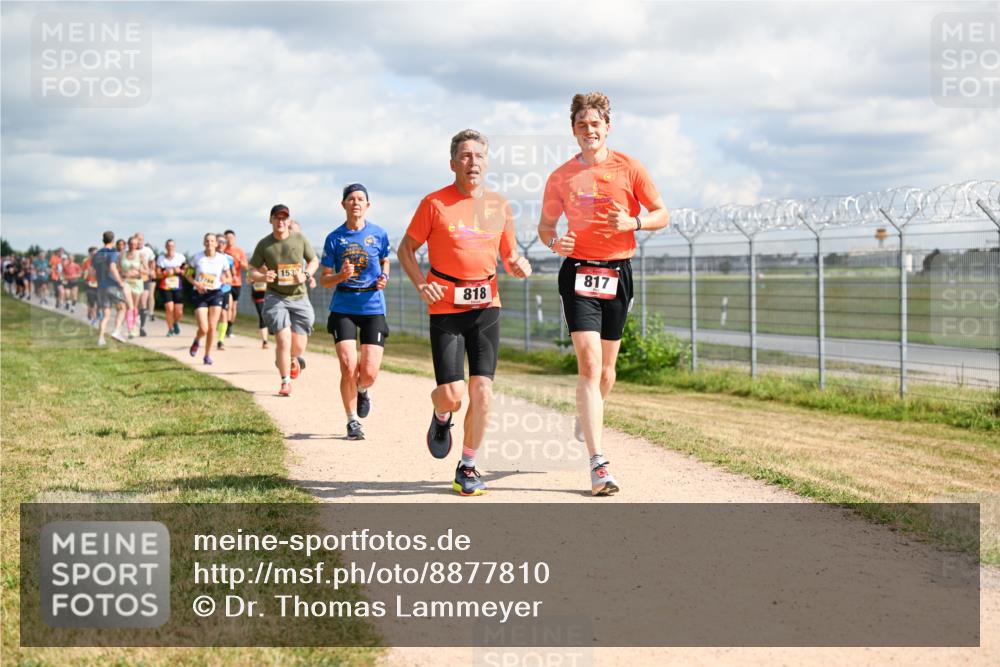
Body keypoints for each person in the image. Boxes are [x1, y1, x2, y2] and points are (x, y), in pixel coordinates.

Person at [538, 92, 670, 496]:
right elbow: (545, 227)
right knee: (590, 366)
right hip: (578, 271)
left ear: (607, 127)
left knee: (607, 374)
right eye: (581, 125)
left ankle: (588, 412)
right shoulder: (561, 177)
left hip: (618, 272)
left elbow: (662, 214)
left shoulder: (630, 167)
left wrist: (633, 221)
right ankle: (598, 465)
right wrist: (554, 243)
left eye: (595, 124)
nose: (589, 131)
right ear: (573, 131)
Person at [397, 129, 532, 496]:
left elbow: (510, 254)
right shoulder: (434, 204)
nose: (473, 162)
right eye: (466, 156)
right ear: (453, 162)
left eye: (479, 156)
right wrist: (422, 285)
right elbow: (406, 250)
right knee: (453, 395)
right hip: (446, 306)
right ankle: (442, 416)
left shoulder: (499, 205)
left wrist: (519, 264)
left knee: (483, 392)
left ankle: (467, 465)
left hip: (487, 304)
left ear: (487, 163)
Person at [319, 183, 391, 441]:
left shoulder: (379, 234)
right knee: (348, 366)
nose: (356, 203)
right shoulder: (334, 238)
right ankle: (351, 421)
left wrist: (384, 276)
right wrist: (341, 275)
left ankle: (362, 390)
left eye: (361, 199)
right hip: (344, 308)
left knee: (369, 373)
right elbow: (324, 279)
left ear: (367, 205)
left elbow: (385, 259)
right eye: (351, 199)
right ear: (344, 205)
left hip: (373, 306)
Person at [248, 204, 319, 396]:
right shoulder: (264, 245)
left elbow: (314, 261)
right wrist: (263, 277)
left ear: (288, 221)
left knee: (298, 346)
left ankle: (292, 359)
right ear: (271, 220)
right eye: (277, 218)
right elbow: (252, 270)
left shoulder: (299, 239)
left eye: (284, 218)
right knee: (283, 338)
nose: (281, 221)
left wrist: (305, 275)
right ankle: (285, 381)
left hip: (299, 296)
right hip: (276, 296)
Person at [185, 233, 232, 365]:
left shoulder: (222, 259)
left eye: (212, 241)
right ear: (203, 243)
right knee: (204, 328)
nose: (209, 243)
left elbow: (229, 276)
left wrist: (225, 279)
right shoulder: (197, 257)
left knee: (212, 327)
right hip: (200, 294)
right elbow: (187, 274)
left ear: (216, 244)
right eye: (207, 241)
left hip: (216, 293)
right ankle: (197, 339)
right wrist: (196, 284)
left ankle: (207, 355)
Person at [92, 231, 128, 346]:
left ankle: (101, 339)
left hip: (100, 287)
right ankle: (117, 331)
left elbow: (93, 270)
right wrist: (120, 281)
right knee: (122, 307)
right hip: (111, 285)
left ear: (103, 240)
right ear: (113, 241)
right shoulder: (112, 252)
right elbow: (113, 268)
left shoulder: (97, 254)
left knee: (106, 314)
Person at [118, 236, 148, 338]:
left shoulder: (141, 255)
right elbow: (117, 269)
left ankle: (134, 327)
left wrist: (139, 270)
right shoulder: (122, 255)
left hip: (137, 282)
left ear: (137, 245)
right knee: (129, 305)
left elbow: (147, 271)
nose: (133, 246)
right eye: (131, 244)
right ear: (128, 244)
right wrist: (122, 273)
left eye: (135, 244)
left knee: (134, 307)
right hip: (126, 281)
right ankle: (130, 329)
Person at [156, 239, 186, 336]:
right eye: (168, 246)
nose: (170, 247)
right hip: (165, 286)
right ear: (166, 247)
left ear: (175, 247)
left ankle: (175, 322)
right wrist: (165, 273)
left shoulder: (180, 257)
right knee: (169, 308)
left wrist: (180, 271)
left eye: (172, 246)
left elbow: (187, 271)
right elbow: (157, 274)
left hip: (178, 286)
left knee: (179, 311)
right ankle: (170, 329)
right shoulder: (161, 259)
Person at [224, 229, 247, 339]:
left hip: (237, 282)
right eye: (227, 238)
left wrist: (239, 260)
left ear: (235, 239)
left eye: (231, 238)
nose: (229, 240)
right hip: (226, 282)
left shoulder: (239, 251)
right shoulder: (222, 250)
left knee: (233, 307)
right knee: (228, 306)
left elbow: (246, 267)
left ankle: (230, 326)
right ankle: (225, 325)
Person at [214, 234, 236, 350]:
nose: (221, 244)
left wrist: (226, 279)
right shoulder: (209, 257)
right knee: (213, 316)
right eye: (219, 241)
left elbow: (232, 275)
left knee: (224, 314)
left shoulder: (229, 258)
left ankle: (220, 341)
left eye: (223, 242)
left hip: (225, 290)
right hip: (211, 290)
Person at [136, 232, 157, 330]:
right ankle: (136, 319)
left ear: (143, 240)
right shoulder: (129, 251)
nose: (139, 241)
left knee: (144, 301)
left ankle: (142, 327)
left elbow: (153, 261)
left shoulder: (148, 250)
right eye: (137, 239)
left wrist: (152, 270)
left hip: (145, 279)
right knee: (137, 302)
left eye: (141, 239)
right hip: (133, 281)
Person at [81, 247, 99, 324]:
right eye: (93, 253)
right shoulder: (86, 262)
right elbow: (83, 273)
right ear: (90, 253)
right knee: (91, 301)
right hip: (89, 284)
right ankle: (94, 318)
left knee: (99, 302)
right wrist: (85, 277)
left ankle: (91, 312)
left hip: (99, 285)